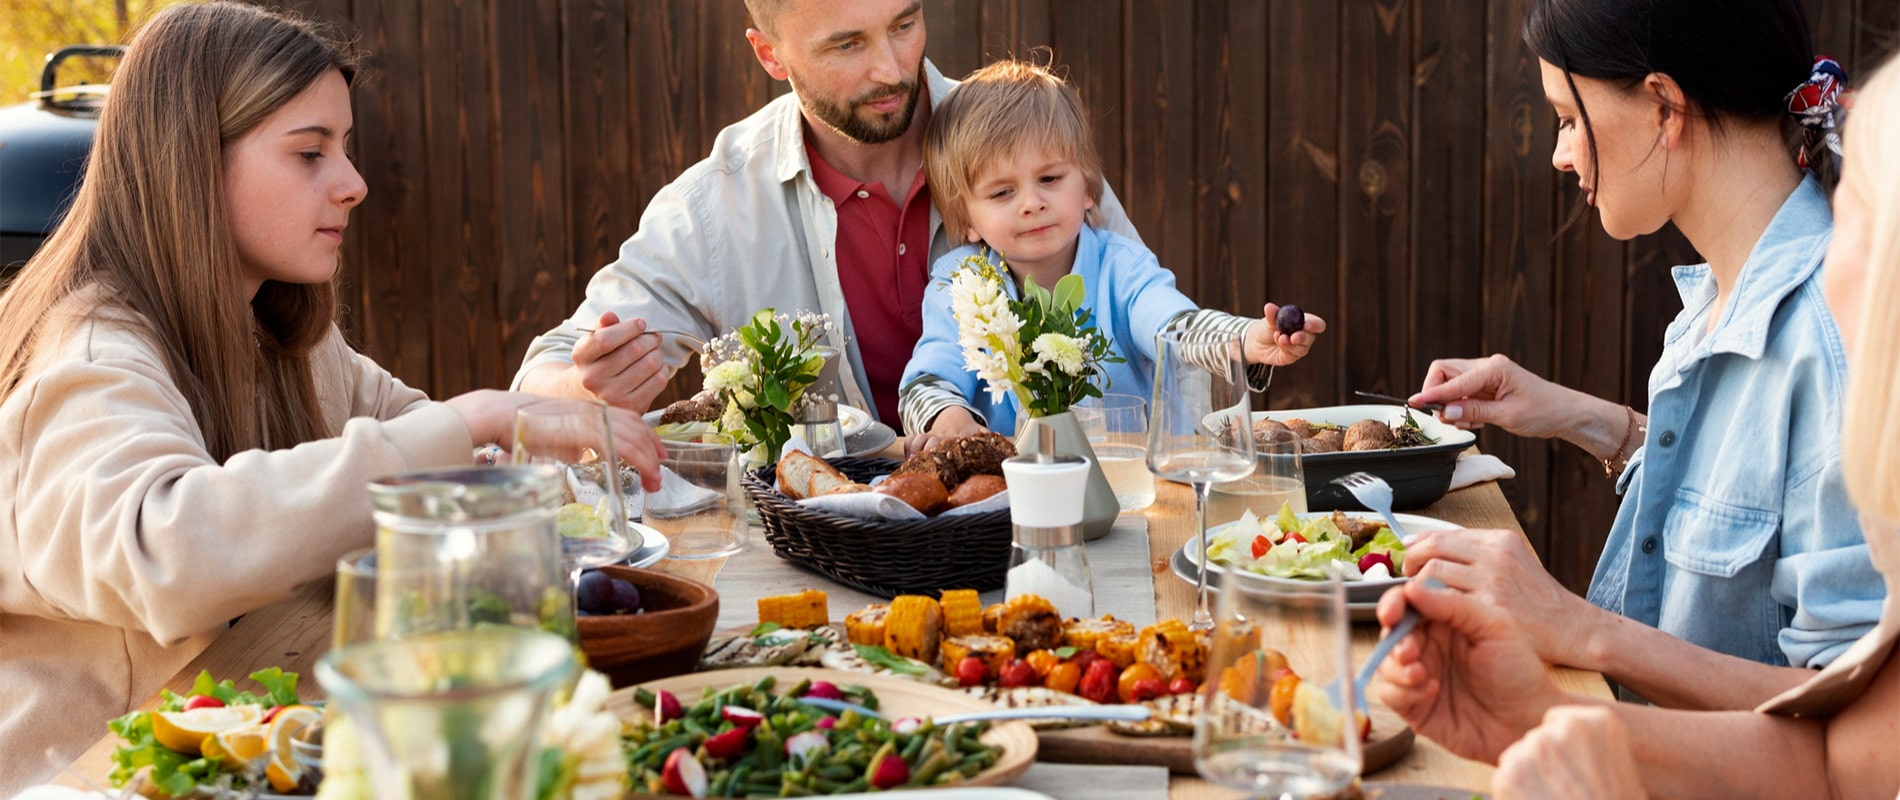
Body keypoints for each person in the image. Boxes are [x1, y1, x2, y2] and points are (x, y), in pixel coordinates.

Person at [0, 4, 665, 793]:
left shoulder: (278, 331)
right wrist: (474, 418)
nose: (353, 185)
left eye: (343, 148)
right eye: (310, 153)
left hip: (257, 746)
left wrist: (500, 431)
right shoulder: (89, 350)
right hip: (91, 773)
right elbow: (166, 552)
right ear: (189, 161)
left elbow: (410, 431)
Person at [1376, 59, 1900, 793]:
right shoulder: (1715, 300)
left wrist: (1573, 625)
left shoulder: (1824, 334)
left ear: (1662, 106)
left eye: (1567, 117)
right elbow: (1844, 760)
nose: (1560, 152)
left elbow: (1832, 730)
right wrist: (1601, 425)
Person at [511, 0, 1148, 426]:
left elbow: (1161, 342)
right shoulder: (715, 207)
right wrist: (589, 388)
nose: (894, 69)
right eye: (847, 45)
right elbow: (536, 383)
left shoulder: (1029, 140)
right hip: (825, 562)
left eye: (904, 25)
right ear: (770, 55)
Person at [897, 59, 1324, 446]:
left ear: (1086, 186)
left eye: (1049, 178)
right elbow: (926, 380)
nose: (1031, 203)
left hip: (1137, 490)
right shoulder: (962, 283)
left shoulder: (1121, 268)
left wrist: (1245, 339)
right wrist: (947, 418)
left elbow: (1175, 327)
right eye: (1003, 191)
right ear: (966, 219)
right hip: (1019, 496)